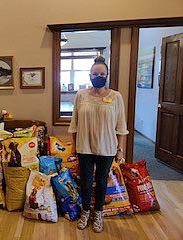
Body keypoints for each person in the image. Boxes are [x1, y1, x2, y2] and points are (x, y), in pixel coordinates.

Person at [68, 56, 129, 233]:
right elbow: (75, 124)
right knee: (86, 183)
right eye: (95, 73)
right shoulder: (81, 95)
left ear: (107, 75)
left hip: (107, 148)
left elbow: (121, 126)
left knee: (102, 182)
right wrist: (74, 148)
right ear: (90, 75)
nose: (98, 76)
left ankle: (99, 213)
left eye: (102, 73)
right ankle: (86, 211)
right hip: (85, 147)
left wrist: (120, 150)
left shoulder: (116, 97)